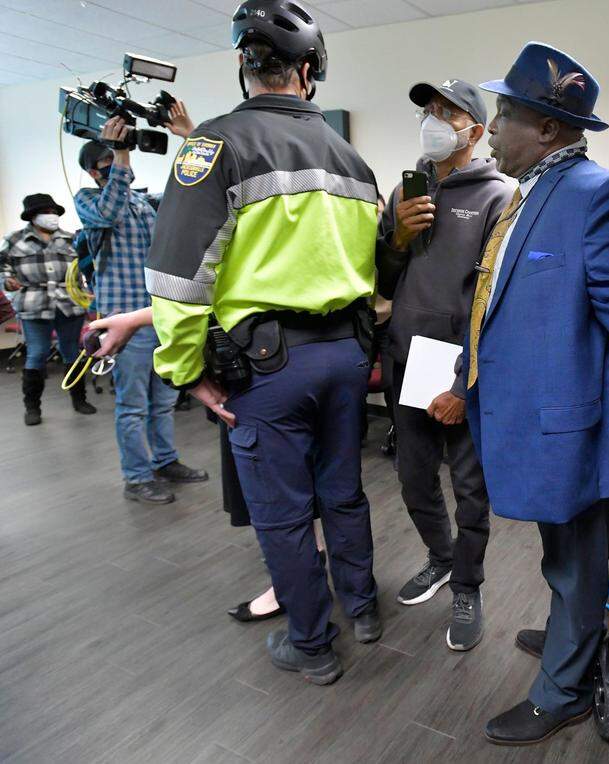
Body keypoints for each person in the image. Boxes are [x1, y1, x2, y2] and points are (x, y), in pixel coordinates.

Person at [467, 42, 609, 745]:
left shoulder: (598, 197)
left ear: (546, 128)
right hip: (532, 419)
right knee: (563, 554)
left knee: (572, 559)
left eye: (504, 115)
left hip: (573, 428)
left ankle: (563, 690)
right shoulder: (527, 196)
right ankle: (580, 631)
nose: (491, 127)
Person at [144, 0, 382, 686]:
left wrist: (185, 369)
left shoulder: (211, 146)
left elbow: (179, 278)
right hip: (345, 355)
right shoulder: (352, 160)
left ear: (245, 68)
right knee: (342, 493)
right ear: (308, 71)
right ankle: (362, 609)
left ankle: (311, 643)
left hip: (270, 365)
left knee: (282, 513)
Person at [377, 77, 512, 651]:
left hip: (458, 366)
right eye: (427, 109)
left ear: (475, 132)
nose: (432, 119)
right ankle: (440, 556)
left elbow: (496, 301)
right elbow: (382, 280)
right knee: (412, 479)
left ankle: (468, 584)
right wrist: (398, 236)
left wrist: (464, 383)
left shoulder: (499, 196)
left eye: (446, 112)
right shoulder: (405, 192)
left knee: (469, 489)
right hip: (407, 356)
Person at [89, 306, 324, 623]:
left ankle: (299, 601)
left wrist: (136, 324)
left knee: (271, 481)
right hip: (314, 350)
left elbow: (204, 294)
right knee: (313, 473)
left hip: (264, 356)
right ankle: (337, 582)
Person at [74, 99, 206, 504]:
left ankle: (165, 461)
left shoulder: (142, 203)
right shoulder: (89, 201)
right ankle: (136, 477)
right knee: (132, 407)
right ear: (98, 169)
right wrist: (121, 153)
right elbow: (108, 211)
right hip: (120, 323)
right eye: (110, 163)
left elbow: (188, 195)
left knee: (163, 400)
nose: (118, 169)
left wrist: (189, 137)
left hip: (155, 318)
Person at [1, 193, 96, 425]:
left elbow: (85, 266)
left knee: (72, 352)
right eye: (46, 212)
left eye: (54, 212)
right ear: (32, 216)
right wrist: (7, 280)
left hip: (69, 303)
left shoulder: (70, 239)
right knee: (37, 353)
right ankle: (32, 408)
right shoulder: (14, 240)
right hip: (34, 304)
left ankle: (79, 399)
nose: (51, 217)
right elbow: (3, 266)